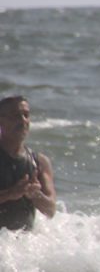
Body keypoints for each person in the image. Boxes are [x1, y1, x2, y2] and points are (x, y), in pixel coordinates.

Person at [0, 96, 57, 231]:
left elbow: (51, 210)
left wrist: (36, 195)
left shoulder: (39, 162)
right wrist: (10, 194)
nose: (23, 120)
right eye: (15, 116)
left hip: (22, 248)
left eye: (26, 115)